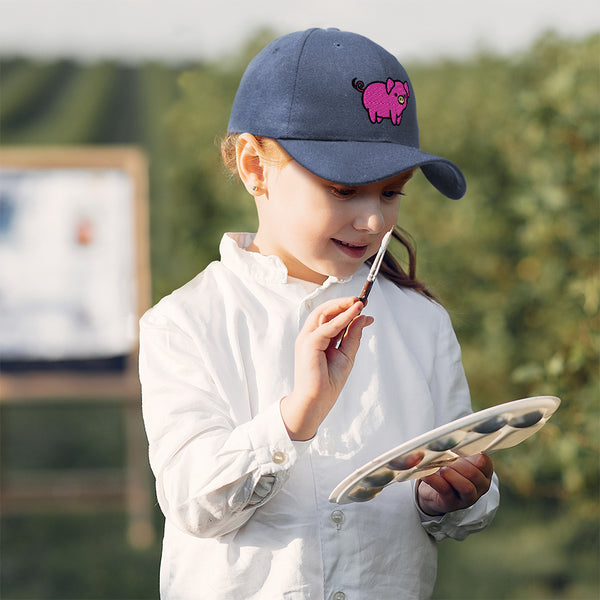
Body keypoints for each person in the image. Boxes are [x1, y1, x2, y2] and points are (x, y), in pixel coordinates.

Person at [139, 27, 500, 600]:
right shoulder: (186, 323)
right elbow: (193, 505)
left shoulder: (421, 323)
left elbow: (461, 477)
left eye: (391, 192)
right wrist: (294, 417)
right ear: (255, 167)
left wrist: (449, 495)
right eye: (342, 189)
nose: (375, 221)